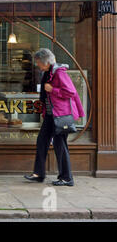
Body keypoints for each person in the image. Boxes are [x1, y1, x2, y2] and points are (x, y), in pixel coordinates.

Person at [24, 48, 85, 186]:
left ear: (45, 62)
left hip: (60, 116)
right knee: (42, 141)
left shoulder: (59, 73)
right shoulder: (48, 72)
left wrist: (53, 90)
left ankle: (67, 178)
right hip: (51, 115)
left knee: (60, 145)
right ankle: (38, 174)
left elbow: (70, 92)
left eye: (38, 62)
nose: (37, 65)